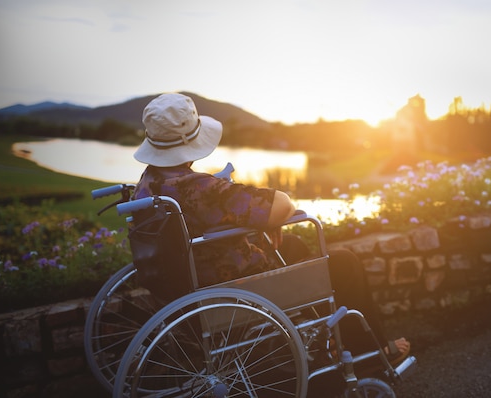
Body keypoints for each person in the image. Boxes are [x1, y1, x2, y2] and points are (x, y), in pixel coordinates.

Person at [132, 93, 410, 367]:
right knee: (344, 263)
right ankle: (371, 354)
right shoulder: (200, 189)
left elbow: (203, 218)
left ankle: (327, 340)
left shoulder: (148, 185)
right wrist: (271, 218)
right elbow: (279, 204)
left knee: (291, 246)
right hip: (234, 291)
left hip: (191, 288)